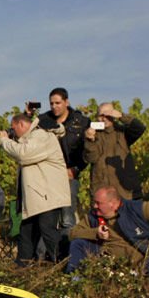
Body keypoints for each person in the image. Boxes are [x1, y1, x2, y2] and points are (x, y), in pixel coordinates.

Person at [0, 113, 71, 265]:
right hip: (36, 197)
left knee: (49, 233)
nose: (13, 132)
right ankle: (22, 268)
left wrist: (4, 141)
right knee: (27, 234)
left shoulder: (40, 135)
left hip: (47, 196)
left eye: (13, 128)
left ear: (22, 125)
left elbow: (23, 154)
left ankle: (66, 267)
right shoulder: (32, 138)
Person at [66, 187, 149, 273]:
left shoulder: (136, 209)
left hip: (145, 258)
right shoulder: (93, 216)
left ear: (112, 204)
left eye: (98, 203)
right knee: (78, 244)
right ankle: (75, 280)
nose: (94, 206)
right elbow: (72, 233)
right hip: (112, 263)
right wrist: (95, 233)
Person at [36, 87, 91, 231]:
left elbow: (89, 150)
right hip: (47, 175)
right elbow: (26, 132)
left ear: (67, 102)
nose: (54, 106)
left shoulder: (82, 122)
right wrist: (27, 114)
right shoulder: (43, 120)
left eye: (58, 103)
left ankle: (68, 250)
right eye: (51, 103)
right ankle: (47, 252)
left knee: (67, 217)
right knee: (47, 216)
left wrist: (77, 169)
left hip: (69, 175)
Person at [83, 103, 147, 200]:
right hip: (102, 193)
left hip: (125, 192)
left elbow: (139, 128)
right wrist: (90, 141)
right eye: (101, 115)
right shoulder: (93, 134)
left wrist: (122, 116)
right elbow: (91, 159)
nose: (104, 118)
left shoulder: (123, 132)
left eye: (107, 115)